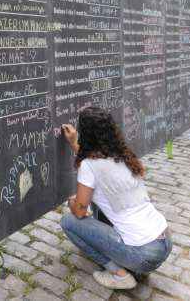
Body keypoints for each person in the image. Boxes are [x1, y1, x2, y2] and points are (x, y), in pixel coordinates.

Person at [60, 107, 171, 290]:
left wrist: (73, 201)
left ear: (85, 134)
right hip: (164, 241)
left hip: (143, 253)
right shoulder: (124, 155)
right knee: (98, 203)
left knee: (68, 221)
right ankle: (133, 264)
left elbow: (79, 212)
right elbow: (96, 163)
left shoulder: (89, 166)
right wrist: (74, 144)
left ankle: (119, 274)